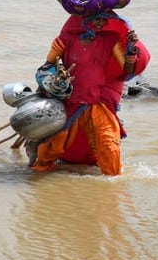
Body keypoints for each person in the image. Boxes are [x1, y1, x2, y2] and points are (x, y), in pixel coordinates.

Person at [28, 11, 150, 175]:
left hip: (97, 104)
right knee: (49, 151)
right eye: (96, 19)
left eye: (103, 20)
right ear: (84, 19)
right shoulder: (65, 40)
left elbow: (126, 72)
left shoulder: (111, 40)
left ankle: (112, 191)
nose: (100, 23)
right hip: (71, 104)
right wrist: (56, 77)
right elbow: (45, 69)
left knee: (109, 147)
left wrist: (131, 51)